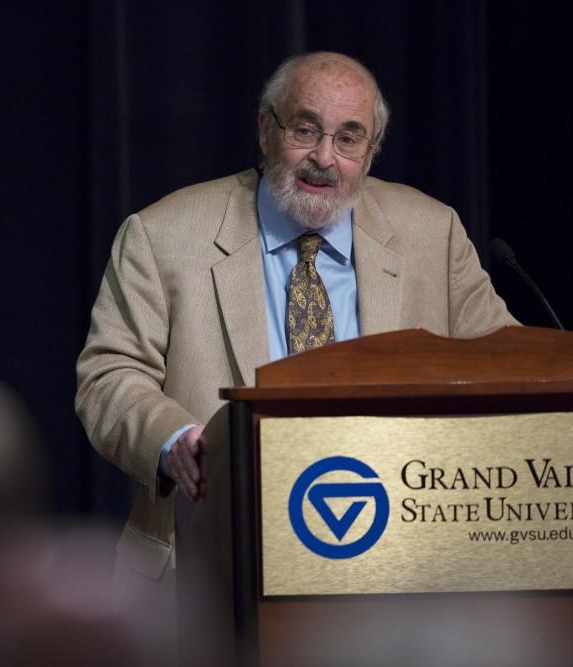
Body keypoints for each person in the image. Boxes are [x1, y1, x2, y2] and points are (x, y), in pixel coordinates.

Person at [75, 51, 518, 587]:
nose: (324, 158)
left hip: (396, 560)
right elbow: (108, 376)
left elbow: (507, 366)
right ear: (266, 130)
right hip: (213, 561)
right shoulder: (162, 235)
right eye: (305, 130)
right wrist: (175, 442)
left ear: (371, 154)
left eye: (349, 138)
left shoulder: (433, 233)